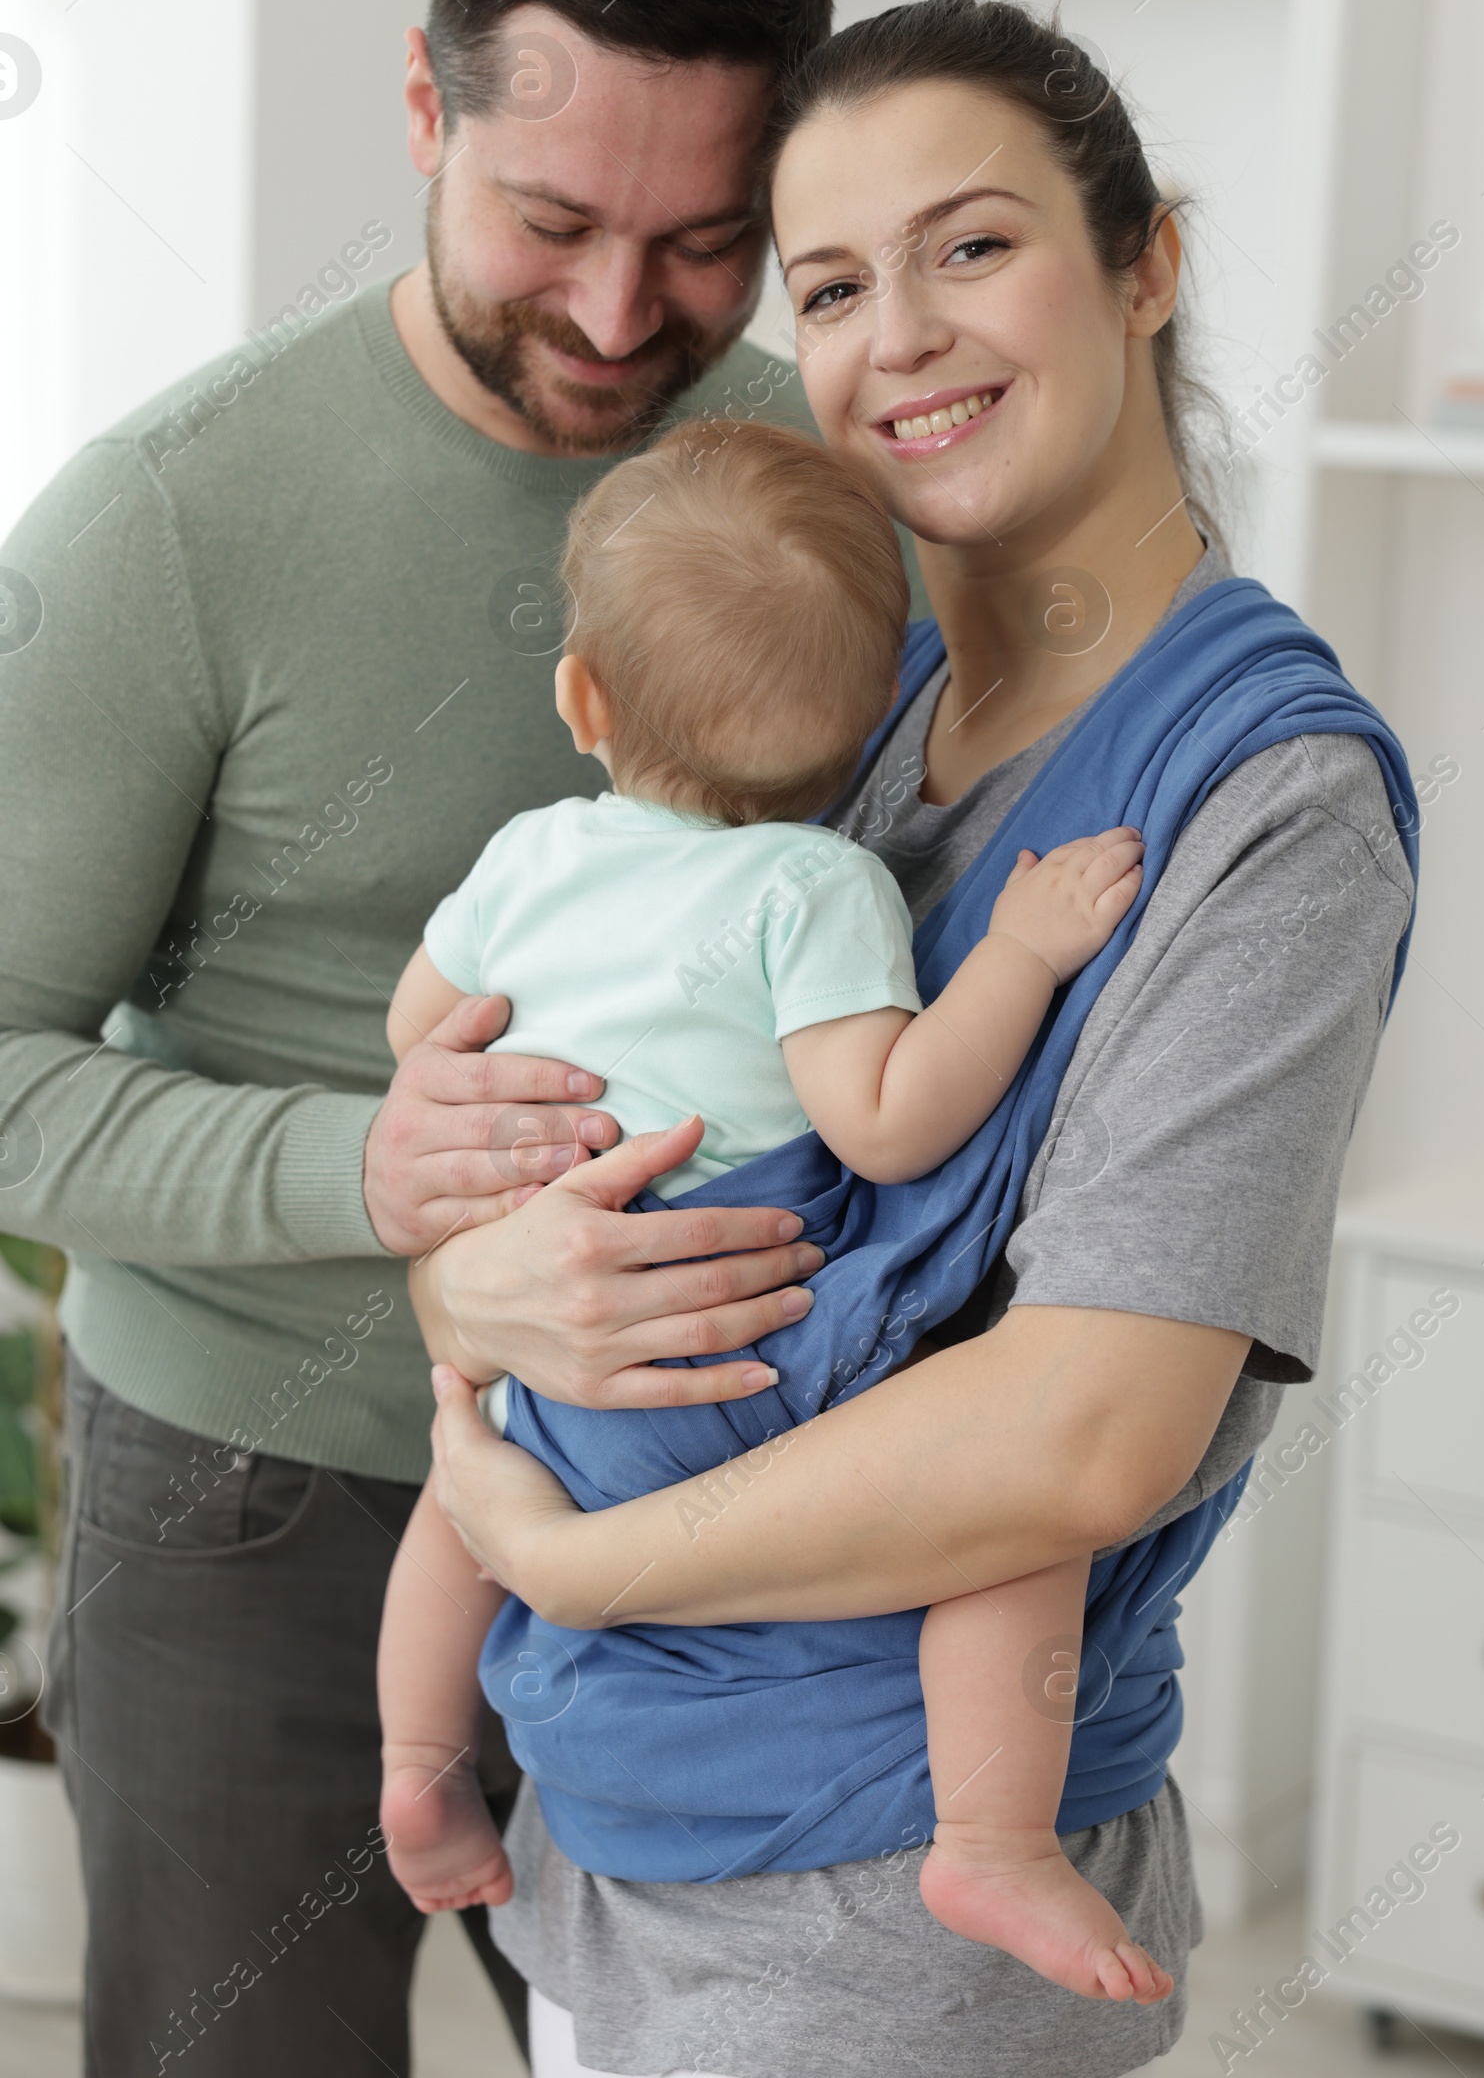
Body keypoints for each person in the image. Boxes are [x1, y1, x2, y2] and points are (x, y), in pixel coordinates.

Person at [411, 0, 1420, 2078]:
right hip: (612, 1843)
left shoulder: (1262, 799)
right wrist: (482, 1270)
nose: (902, 340)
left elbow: (1083, 1436)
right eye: (834, 287)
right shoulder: (819, 720)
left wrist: (575, 1554)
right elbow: (499, 1111)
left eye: (972, 247)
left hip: (875, 1924)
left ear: (1143, 261)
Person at [0, 0, 840, 2075]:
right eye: (549, 218)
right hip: (258, 1508)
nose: (610, 313)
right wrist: (369, 1176)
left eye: (703, 245)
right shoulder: (170, 526)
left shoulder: (817, 503)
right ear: (420, 103)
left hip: (717, 1500)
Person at [372, 417, 1159, 2003]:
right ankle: (995, 1838)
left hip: (567, 1359)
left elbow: (417, 1035)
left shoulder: (529, 857)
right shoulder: (813, 889)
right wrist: (1018, 952)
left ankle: (416, 1762)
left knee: (465, 1490)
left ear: (579, 694)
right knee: (1011, 1514)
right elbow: (886, 1127)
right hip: (742, 1348)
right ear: (881, 706)